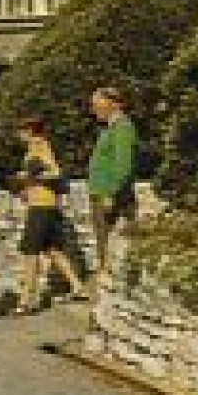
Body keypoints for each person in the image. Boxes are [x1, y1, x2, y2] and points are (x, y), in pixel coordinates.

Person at [13, 118, 90, 314]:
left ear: (30, 131)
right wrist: (27, 187)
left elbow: (55, 172)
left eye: (21, 130)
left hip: (41, 207)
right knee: (52, 249)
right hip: (44, 204)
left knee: (30, 252)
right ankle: (78, 287)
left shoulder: (40, 146)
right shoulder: (35, 148)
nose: (18, 135)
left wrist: (31, 178)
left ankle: (26, 301)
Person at [87, 86, 138, 276]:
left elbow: (123, 164)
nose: (94, 110)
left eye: (97, 105)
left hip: (108, 195)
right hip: (100, 193)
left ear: (114, 104)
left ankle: (107, 285)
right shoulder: (109, 129)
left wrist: (111, 193)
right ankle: (105, 284)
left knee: (108, 242)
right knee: (103, 241)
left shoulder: (123, 128)